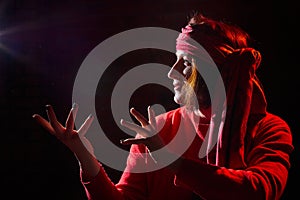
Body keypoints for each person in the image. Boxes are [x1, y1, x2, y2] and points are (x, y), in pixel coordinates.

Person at [32, 12, 294, 200]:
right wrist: (85, 157)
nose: (172, 73)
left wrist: (170, 159)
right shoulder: (158, 128)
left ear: (216, 73)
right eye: (175, 60)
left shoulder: (268, 129)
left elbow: (259, 191)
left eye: (186, 63)